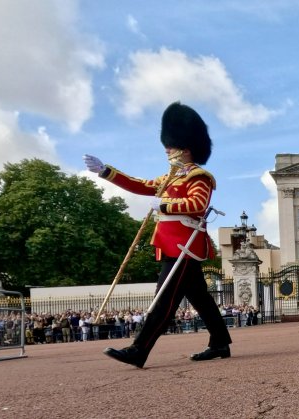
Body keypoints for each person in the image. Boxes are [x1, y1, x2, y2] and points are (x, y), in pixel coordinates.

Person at [88, 102, 232, 368]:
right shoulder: (170, 178)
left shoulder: (199, 176)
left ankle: (138, 350)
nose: (167, 149)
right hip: (170, 244)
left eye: (172, 146)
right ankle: (220, 342)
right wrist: (106, 171)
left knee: (163, 300)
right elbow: (140, 184)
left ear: (186, 148)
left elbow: (198, 205)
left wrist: (164, 205)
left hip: (184, 246)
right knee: (201, 298)